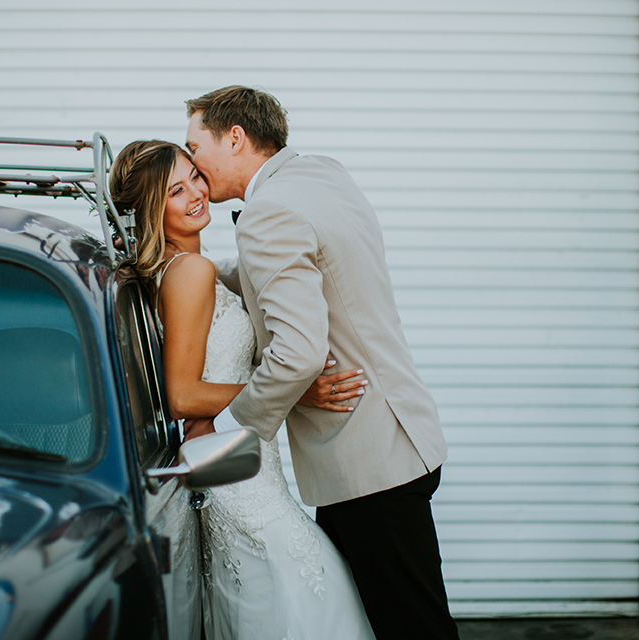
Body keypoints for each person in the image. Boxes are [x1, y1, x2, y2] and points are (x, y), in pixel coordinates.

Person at [183, 85, 459, 640]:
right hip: (396, 438)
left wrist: (229, 435)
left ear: (235, 138)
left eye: (194, 146)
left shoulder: (268, 213)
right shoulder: (320, 176)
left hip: (366, 460)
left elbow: (297, 352)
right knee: (360, 616)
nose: (190, 162)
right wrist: (197, 272)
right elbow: (296, 266)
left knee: (413, 626)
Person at [109, 139, 376, 640]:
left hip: (236, 461)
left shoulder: (186, 270)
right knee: (304, 587)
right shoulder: (190, 271)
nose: (196, 195)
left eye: (195, 177)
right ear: (150, 210)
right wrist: (295, 393)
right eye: (175, 191)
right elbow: (183, 396)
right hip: (239, 478)